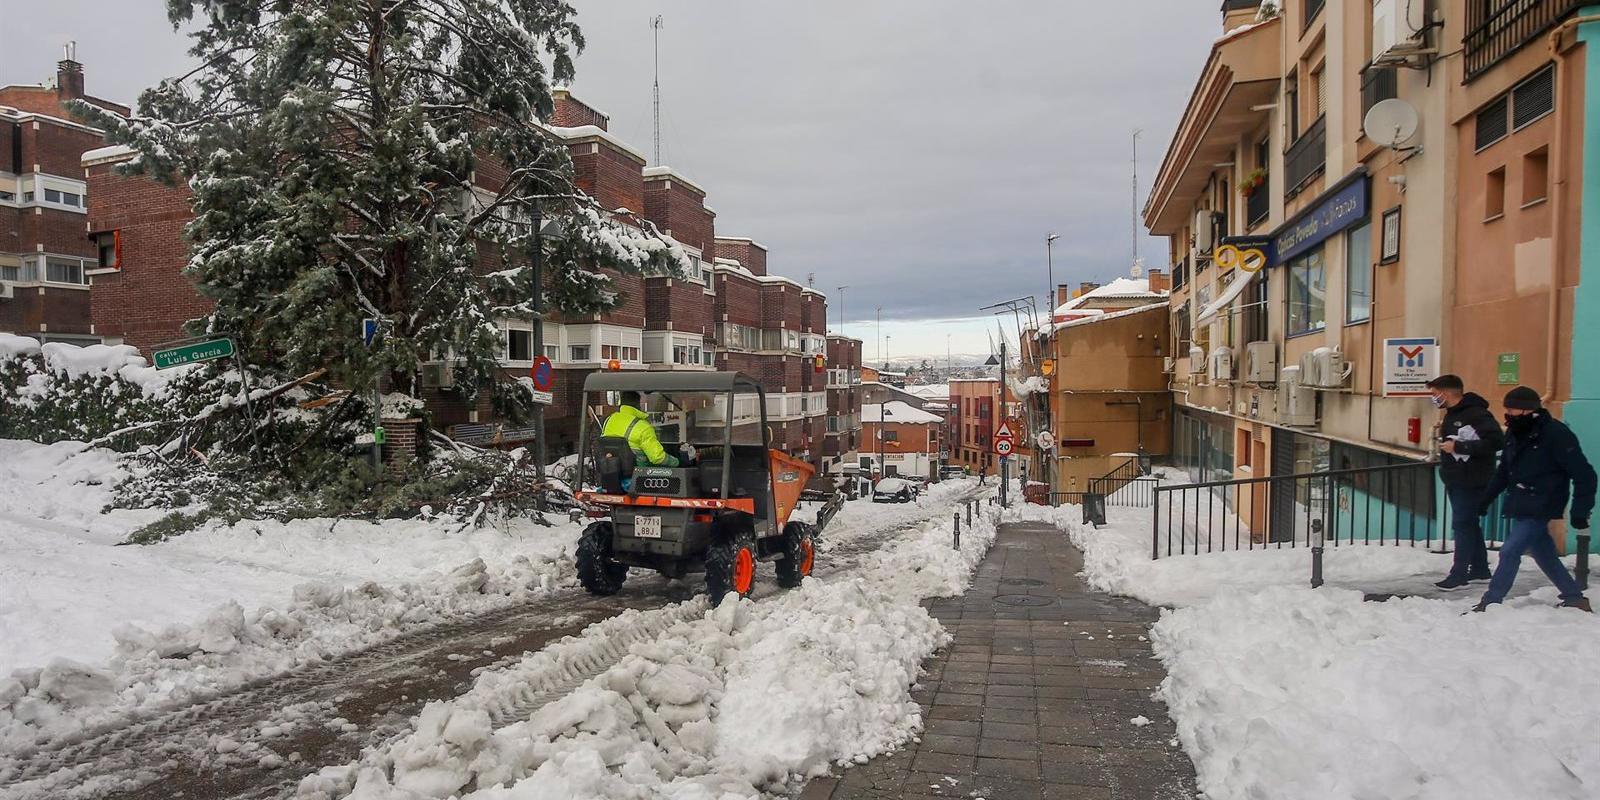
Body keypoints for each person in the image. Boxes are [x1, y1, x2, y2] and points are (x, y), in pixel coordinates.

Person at [1473, 386, 1594, 613]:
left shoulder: (1556, 434)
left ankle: (1491, 601)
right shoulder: (1515, 433)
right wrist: (1486, 499)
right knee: (1543, 553)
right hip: (1520, 500)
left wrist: (1580, 510)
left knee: (1509, 551)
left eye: (1513, 409)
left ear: (1530, 410)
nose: (1508, 414)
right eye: (1507, 409)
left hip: (1544, 501)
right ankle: (1574, 597)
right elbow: (1504, 471)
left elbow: (1584, 474)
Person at [1427, 374, 1504, 589]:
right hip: (1456, 476)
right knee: (1469, 523)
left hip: (1472, 478)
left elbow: (1496, 441)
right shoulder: (1452, 414)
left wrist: (1460, 448)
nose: (1433, 399)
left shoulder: (1476, 414)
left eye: (1435, 394)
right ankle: (1479, 568)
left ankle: (1459, 573)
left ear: (1447, 393)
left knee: (1462, 524)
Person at [601, 391, 683, 471]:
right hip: (639, 476)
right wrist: (679, 462)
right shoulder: (643, 427)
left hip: (611, 474)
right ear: (638, 404)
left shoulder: (609, 420)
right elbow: (657, 458)